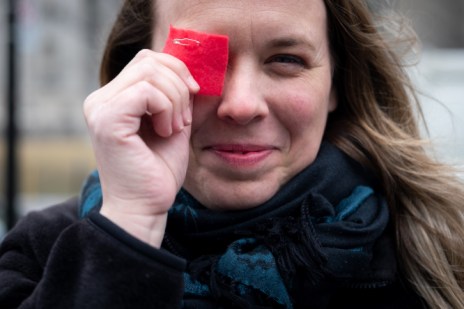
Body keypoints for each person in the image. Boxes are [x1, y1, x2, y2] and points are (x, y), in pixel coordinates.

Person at [1, 0, 463, 308]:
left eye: (286, 60)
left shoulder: (440, 253)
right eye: (199, 58)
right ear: (135, 76)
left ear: (336, 85)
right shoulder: (35, 256)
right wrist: (130, 227)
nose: (241, 105)